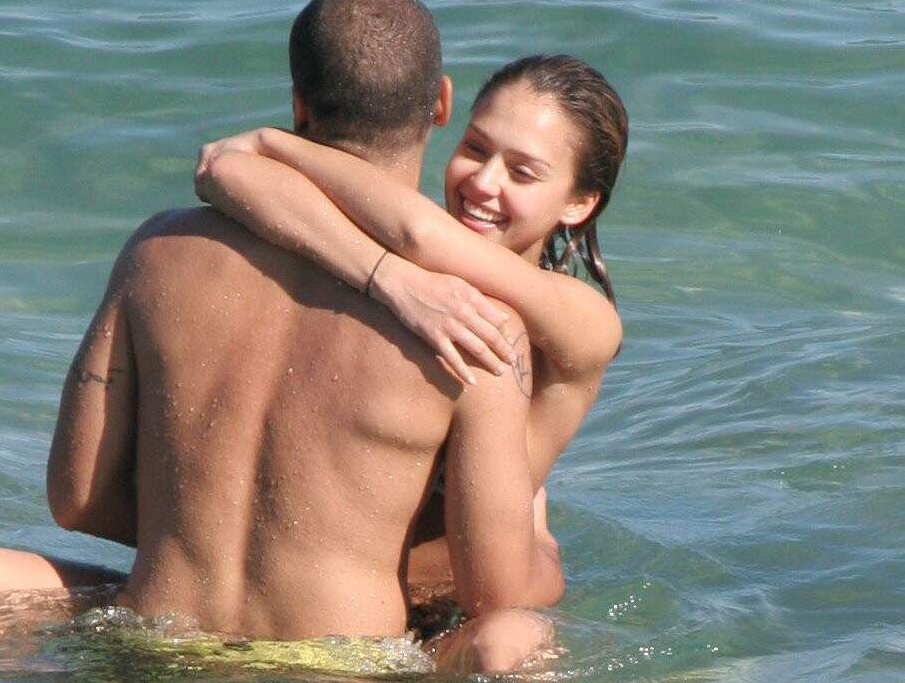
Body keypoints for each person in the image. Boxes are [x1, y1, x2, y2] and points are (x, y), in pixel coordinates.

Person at [0, 0, 562, 674]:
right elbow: (494, 591)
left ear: (298, 104)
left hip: (158, 646)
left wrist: (203, 526)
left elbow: (76, 498)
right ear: (441, 104)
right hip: (343, 682)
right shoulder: (470, 320)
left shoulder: (158, 252)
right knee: (516, 637)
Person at [194, 52, 629, 620]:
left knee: (514, 636)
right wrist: (386, 274)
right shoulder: (412, 255)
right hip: (339, 604)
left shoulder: (584, 319)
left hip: (454, 614)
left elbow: (419, 233)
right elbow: (224, 172)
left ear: (579, 203)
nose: (483, 181)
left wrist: (275, 144)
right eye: (475, 148)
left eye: (522, 173)